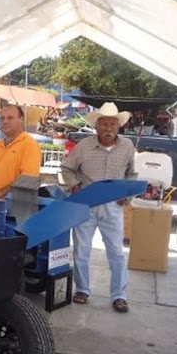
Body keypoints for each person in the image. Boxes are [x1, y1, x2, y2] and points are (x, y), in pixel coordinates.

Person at [61, 102, 136, 313]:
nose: (108, 128)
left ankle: (119, 296)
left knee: (116, 252)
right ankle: (82, 290)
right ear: (97, 126)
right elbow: (67, 168)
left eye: (112, 124)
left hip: (113, 206)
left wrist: (127, 195)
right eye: (104, 124)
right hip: (86, 203)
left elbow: (132, 173)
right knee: (81, 250)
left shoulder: (127, 146)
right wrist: (75, 186)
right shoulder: (84, 146)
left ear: (118, 126)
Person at [0, 104, 42, 198]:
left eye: (10, 118)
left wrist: (2, 193)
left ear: (21, 119)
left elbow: (28, 178)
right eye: (2, 118)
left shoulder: (30, 145)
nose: (5, 121)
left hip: (15, 206)